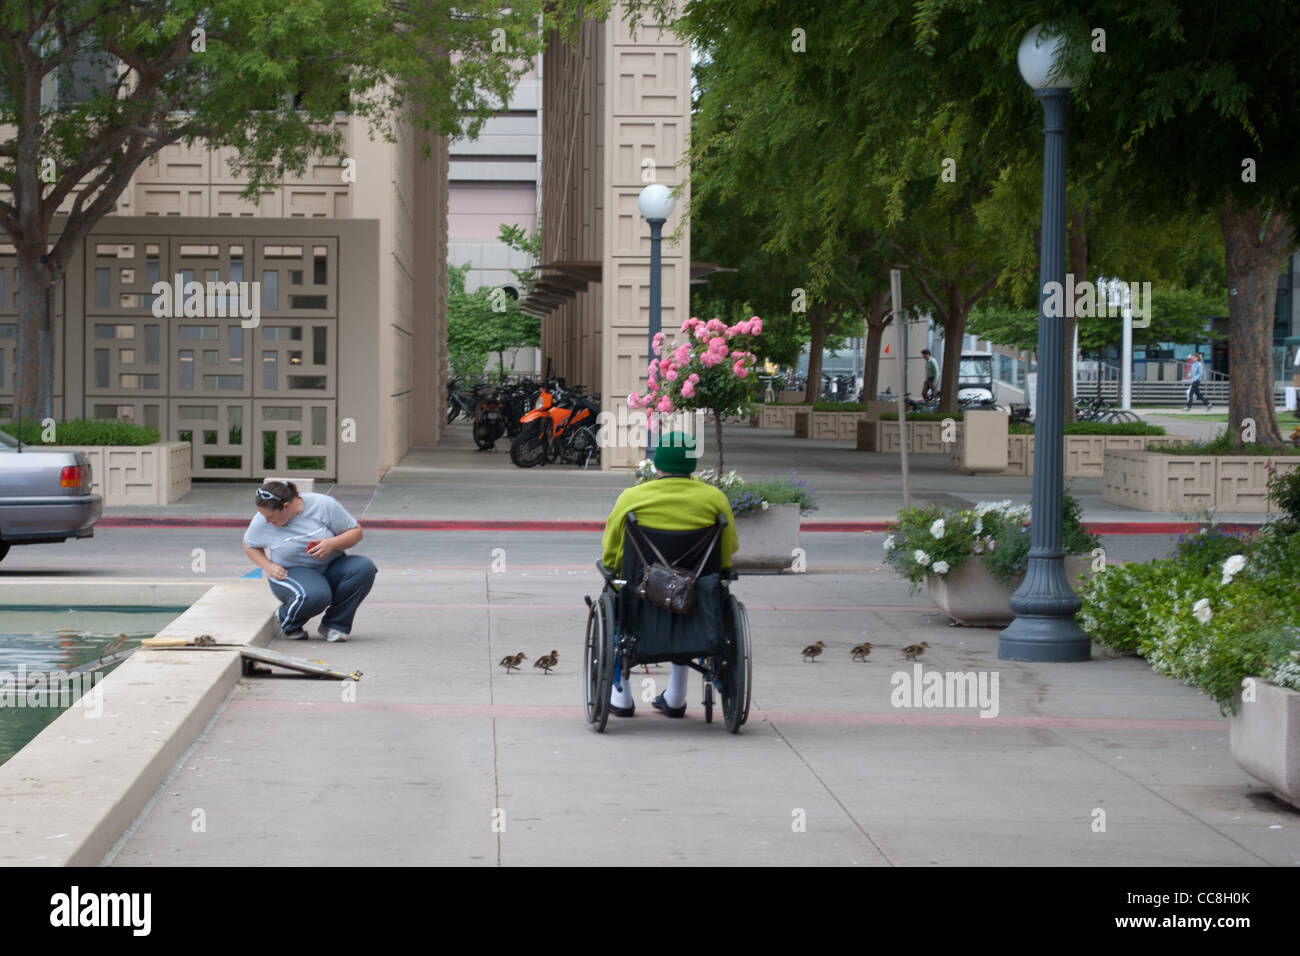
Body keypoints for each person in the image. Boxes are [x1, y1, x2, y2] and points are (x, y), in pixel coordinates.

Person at [600, 432, 738, 719]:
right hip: (696, 596)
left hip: (642, 592)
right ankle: (676, 696)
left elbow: (612, 549)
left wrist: (611, 569)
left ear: (657, 464)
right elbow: (729, 548)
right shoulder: (714, 499)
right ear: (692, 465)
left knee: (613, 594)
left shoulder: (632, 498)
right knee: (698, 596)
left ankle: (621, 696)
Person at [242, 480, 377, 642]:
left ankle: (334, 625)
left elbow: (356, 532)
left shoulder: (323, 505)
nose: (267, 521)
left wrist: (332, 543)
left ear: (286, 506)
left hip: (331, 566)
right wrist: (268, 566)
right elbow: (249, 545)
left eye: (270, 517)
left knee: (363, 568)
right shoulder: (262, 520)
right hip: (292, 572)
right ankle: (287, 619)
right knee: (316, 595)